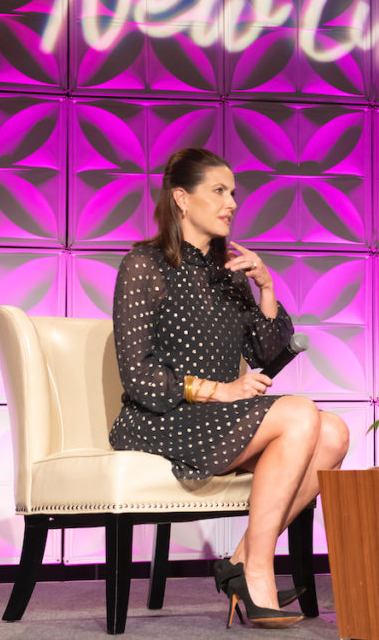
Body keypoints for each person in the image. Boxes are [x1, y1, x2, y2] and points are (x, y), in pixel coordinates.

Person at [108, 147, 349, 629]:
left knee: (334, 432)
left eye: (233, 192)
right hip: (160, 416)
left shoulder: (228, 275)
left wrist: (267, 289)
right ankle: (257, 570)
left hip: (216, 415)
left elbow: (266, 354)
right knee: (301, 412)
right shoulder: (144, 263)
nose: (232, 203)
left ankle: (241, 559)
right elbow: (137, 374)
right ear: (182, 198)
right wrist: (217, 390)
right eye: (218, 191)